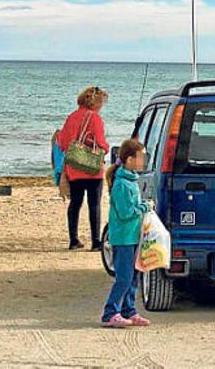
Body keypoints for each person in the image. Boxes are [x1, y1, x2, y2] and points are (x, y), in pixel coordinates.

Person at [100, 138, 152, 328]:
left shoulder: (131, 180)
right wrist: (145, 206)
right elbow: (125, 212)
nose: (143, 161)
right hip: (122, 238)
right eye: (140, 157)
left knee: (134, 276)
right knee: (123, 277)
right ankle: (110, 312)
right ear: (130, 159)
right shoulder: (122, 184)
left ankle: (129, 310)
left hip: (133, 236)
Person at [56, 86, 110, 250]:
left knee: (75, 203)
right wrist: (106, 149)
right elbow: (100, 143)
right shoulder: (95, 118)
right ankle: (95, 241)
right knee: (94, 204)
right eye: (101, 102)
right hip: (92, 168)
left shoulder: (71, 117)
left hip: (74, 167)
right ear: (95, 102)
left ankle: (73, 239)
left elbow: (62, 142)